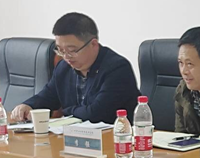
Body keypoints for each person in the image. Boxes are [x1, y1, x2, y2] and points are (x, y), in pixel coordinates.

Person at [10, 12, 140, 124]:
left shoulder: (117, 69)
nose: (66, 57)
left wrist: (66, 111)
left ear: (93, 44)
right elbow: (48, 96)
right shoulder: (63, 67)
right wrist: (28, 105)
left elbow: (96, 114)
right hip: (75, 138)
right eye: (60, 50)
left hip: (114, 139)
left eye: (72, 50)